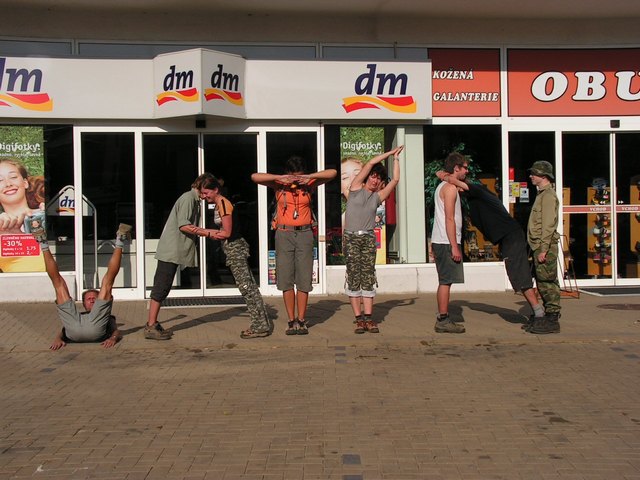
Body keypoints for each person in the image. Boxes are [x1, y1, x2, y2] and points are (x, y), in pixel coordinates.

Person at [436, 171, 546, 326]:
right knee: (517, 274)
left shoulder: (479, 190)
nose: (456, 190)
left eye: (458, 187)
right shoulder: (473, 201)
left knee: (519, 274)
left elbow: (460, 184)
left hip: (511, 236)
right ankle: (537, 312)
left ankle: (539, 314)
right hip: (507, 238)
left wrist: (444, 176)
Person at [252, 157, 337, 335]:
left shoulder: (309, 184)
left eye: (298, 176)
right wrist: (281, 178)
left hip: (305, 233)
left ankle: (302, 320)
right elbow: (255, 177)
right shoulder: (279, 185)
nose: (296, 180)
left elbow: (333, 173)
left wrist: (308, 177)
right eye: (294, 176)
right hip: (284, 234)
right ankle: (291, 320)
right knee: (286, 277)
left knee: (304, 277)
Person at [28, 220, 132, 350]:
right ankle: (42, 241)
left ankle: (120, 239)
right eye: (89, 299)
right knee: (58, 283)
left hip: (95, 326)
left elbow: (116, 331)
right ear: (83, 304)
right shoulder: (78, 316)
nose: (92, 300)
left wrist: (113, 338)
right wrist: (57, 339)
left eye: (94, 298)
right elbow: (63, 330)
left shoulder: (107, 318)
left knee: (106, 283)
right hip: (75, 328)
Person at [144, 173, 220, 340]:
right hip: (171, 250)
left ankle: (153, 324)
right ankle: (150, 326)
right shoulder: (188, 199)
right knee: (161, 287)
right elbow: (183, 225)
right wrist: (207, 232)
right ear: (201, 187)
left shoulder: (193, 200)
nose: (207, 196)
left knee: (163, 287)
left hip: (176, 250)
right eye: (207, 191)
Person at [343, 146, 403, 334]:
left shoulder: (378, 197)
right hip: (351, 237)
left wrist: (396, 159)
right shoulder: (355, 188)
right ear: (367, 177)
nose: (374, 180)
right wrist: (390, 153)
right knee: (354, 277)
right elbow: (370, 163)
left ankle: (368, 318)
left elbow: (396, 180)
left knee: (368, 277)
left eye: (378, 178)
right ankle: (358, 319)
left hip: (368, 238)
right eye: (373, 176)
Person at [207, 177, 272, 339]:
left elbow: (227, 232)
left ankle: (259, 326)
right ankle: (261, 323)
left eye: (206, 192)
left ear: (215, 190)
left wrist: (205, 232)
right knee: (249, 286)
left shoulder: (224, 204)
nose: (203, 196)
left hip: (235, 248)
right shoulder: (220, 204)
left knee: (247, 287)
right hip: (232, 248)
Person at [431, 152, 468, 334]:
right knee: (446, 281)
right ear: (456, 168)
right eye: (465, 168)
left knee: (445, 281)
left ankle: (443, 317)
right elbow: (449, 218)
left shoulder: (445, 186)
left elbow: (465, 188)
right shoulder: (450, 189)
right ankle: (443, 319)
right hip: (446, 241)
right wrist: (454, 246)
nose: (467, 171)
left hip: (443, 240)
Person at [527, 160, 561, 334]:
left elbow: (548, 225)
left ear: (544, 176)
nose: (531, 176)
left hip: (544, 246)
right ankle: (548, 315)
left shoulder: (548, 196)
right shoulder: (541, 194)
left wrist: (543, 249)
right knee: (542, 281)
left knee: (547, 282)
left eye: (534, 173)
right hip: (539, 245)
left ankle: (552, 318)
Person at [0, 158, 45, 272]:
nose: (8, 184)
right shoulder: (1, 227)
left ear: (25, 183)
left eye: (13, 177)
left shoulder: (44, 215)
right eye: (0, 180)